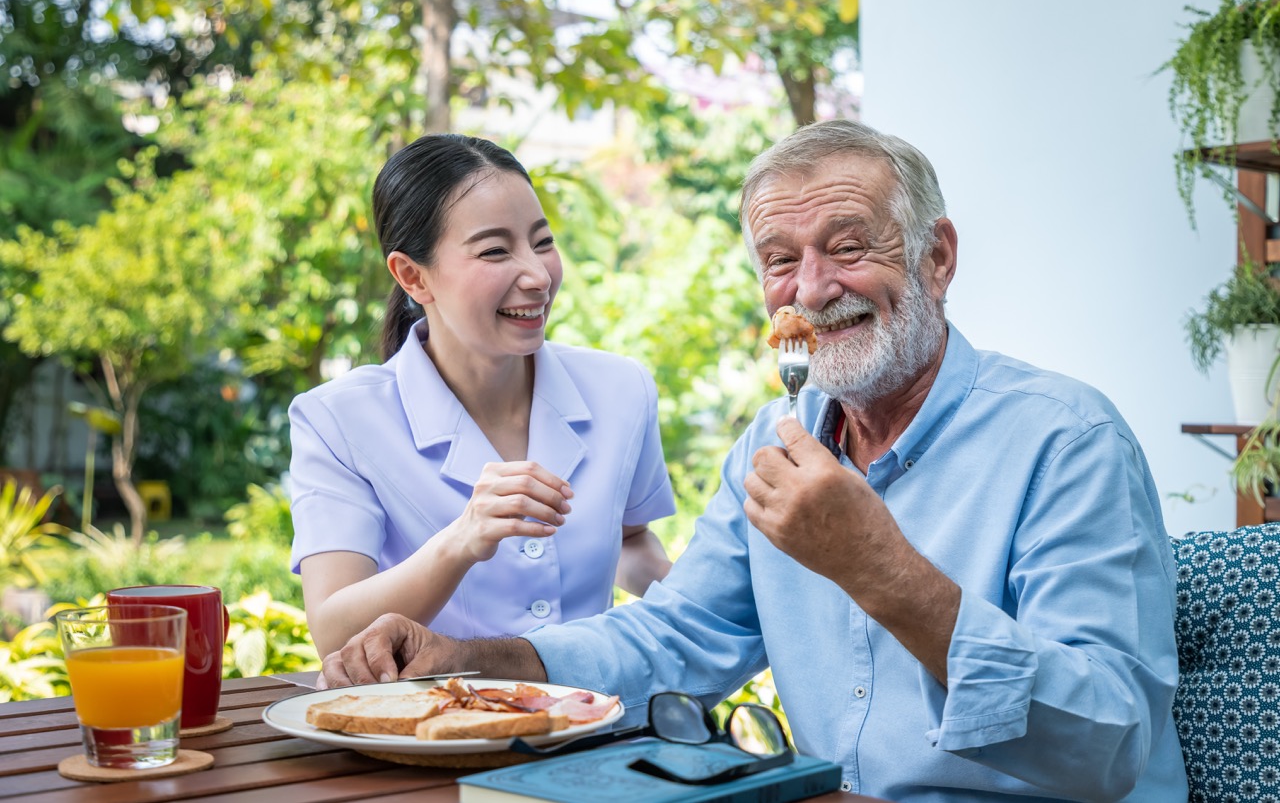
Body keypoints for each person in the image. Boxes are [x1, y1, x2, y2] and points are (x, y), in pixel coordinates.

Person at [317, 121, 1187, 801]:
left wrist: (878, 567)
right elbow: (677, 635)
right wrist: (470, 657)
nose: (809, 290)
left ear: (938, 258)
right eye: (780, 261)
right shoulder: (775, 445)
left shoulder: (1067, 441)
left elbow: (1106, 743)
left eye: (848, 247)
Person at [288, 134, 675, 657]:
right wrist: (462, 539)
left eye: (542, 242)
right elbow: (335, 632)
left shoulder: (622, 390)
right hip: (431, 726)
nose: (538, 275)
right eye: (495, 251)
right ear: (412, 276)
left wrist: (718, 603)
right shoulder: (338, 419)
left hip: (594, 720)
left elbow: (630, 543)